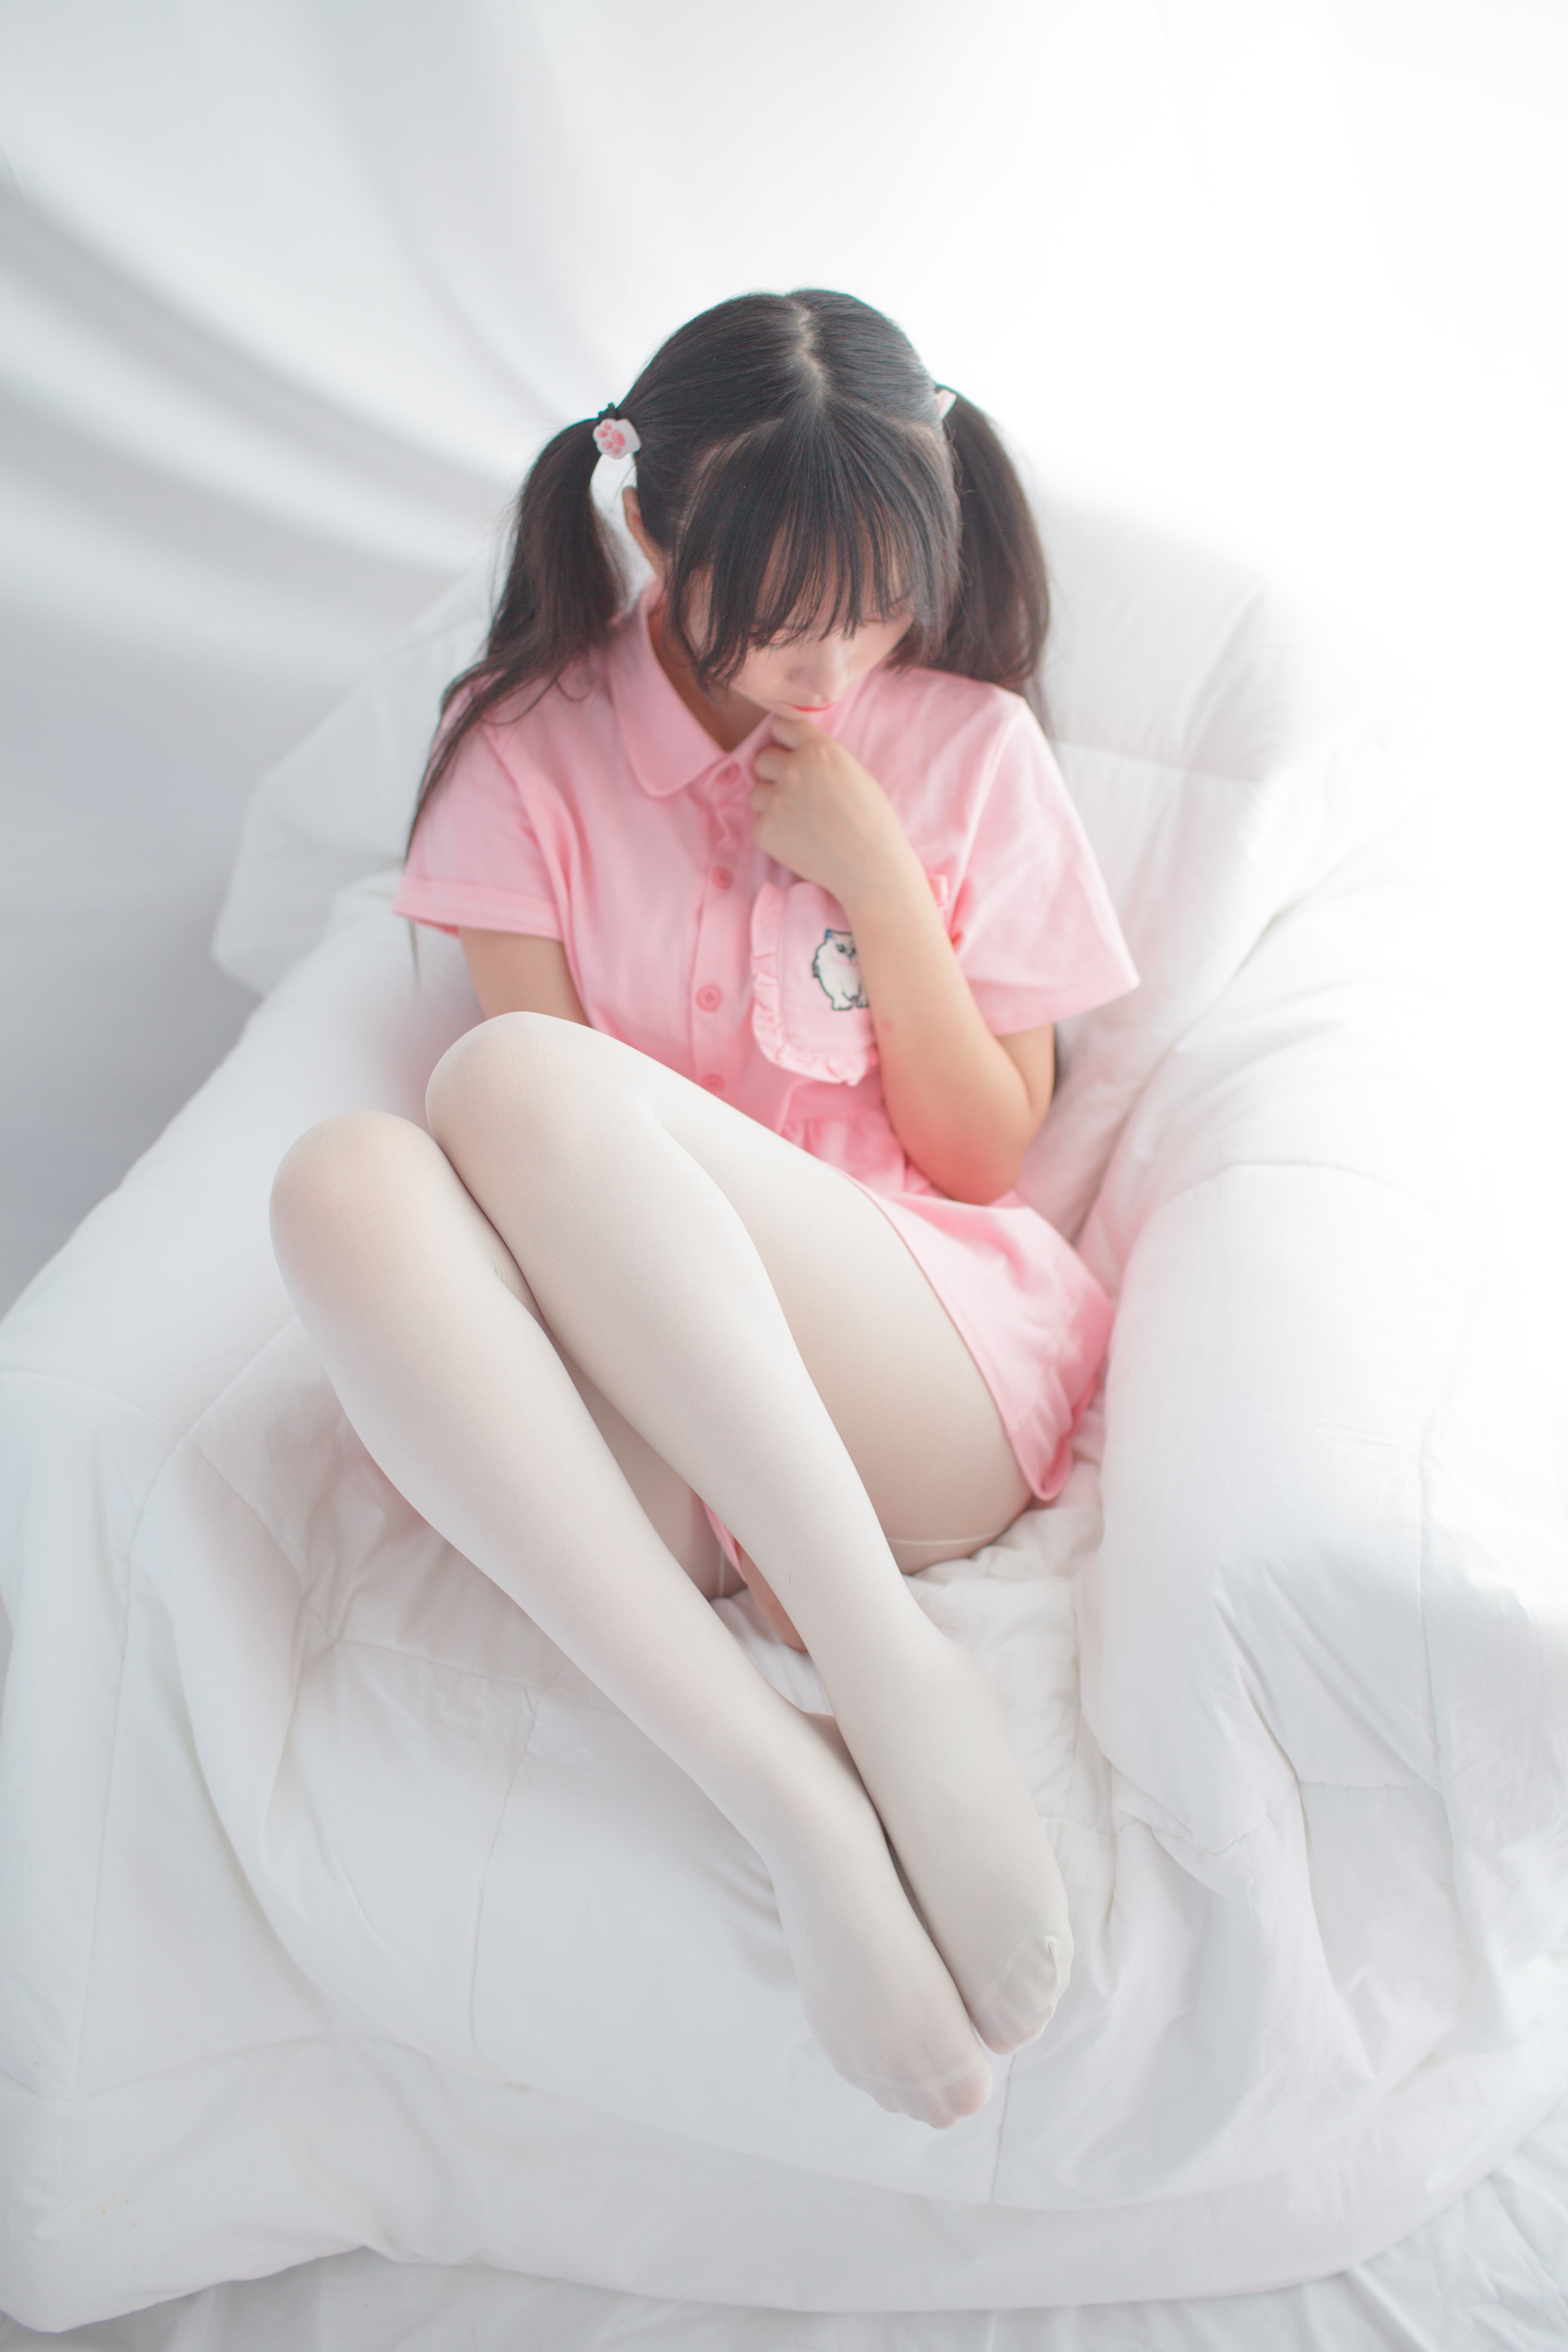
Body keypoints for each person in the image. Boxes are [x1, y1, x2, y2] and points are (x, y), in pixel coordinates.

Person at [269, 288, 1138, 2129]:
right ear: (650, 529)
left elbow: (986, 1154)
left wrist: (883, 884)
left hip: (916, 1370)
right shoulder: (527, 754)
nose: (831, 675)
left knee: (505, 1082)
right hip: (666, 1433)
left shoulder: (968, 748)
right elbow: (545, 1216)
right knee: (345, 1182)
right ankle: (789, 1792)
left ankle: (894, 1677)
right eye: (782, 623)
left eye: (872, 614)